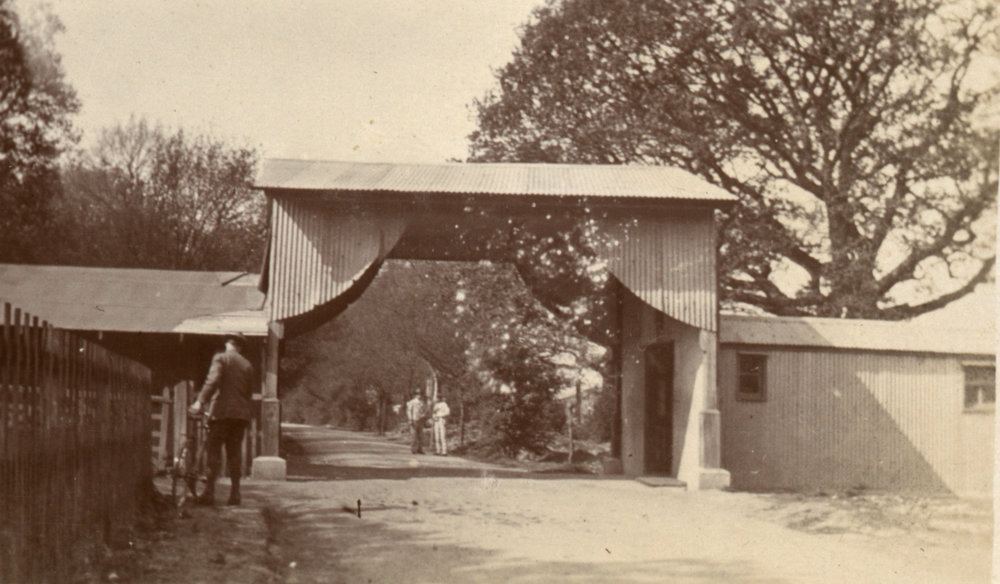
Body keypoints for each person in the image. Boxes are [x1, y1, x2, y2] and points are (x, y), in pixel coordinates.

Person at [188, 332, 254, 506]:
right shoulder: (247, 365)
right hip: (241, 415)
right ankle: (235, 495)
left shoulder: (221, 358)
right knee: (234, 453)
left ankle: (209, 493)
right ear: (240, 347)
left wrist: (200, 401)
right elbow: (248, 393)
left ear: (227, 343)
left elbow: (213, 380)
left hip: (222, 413)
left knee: (213, 450)